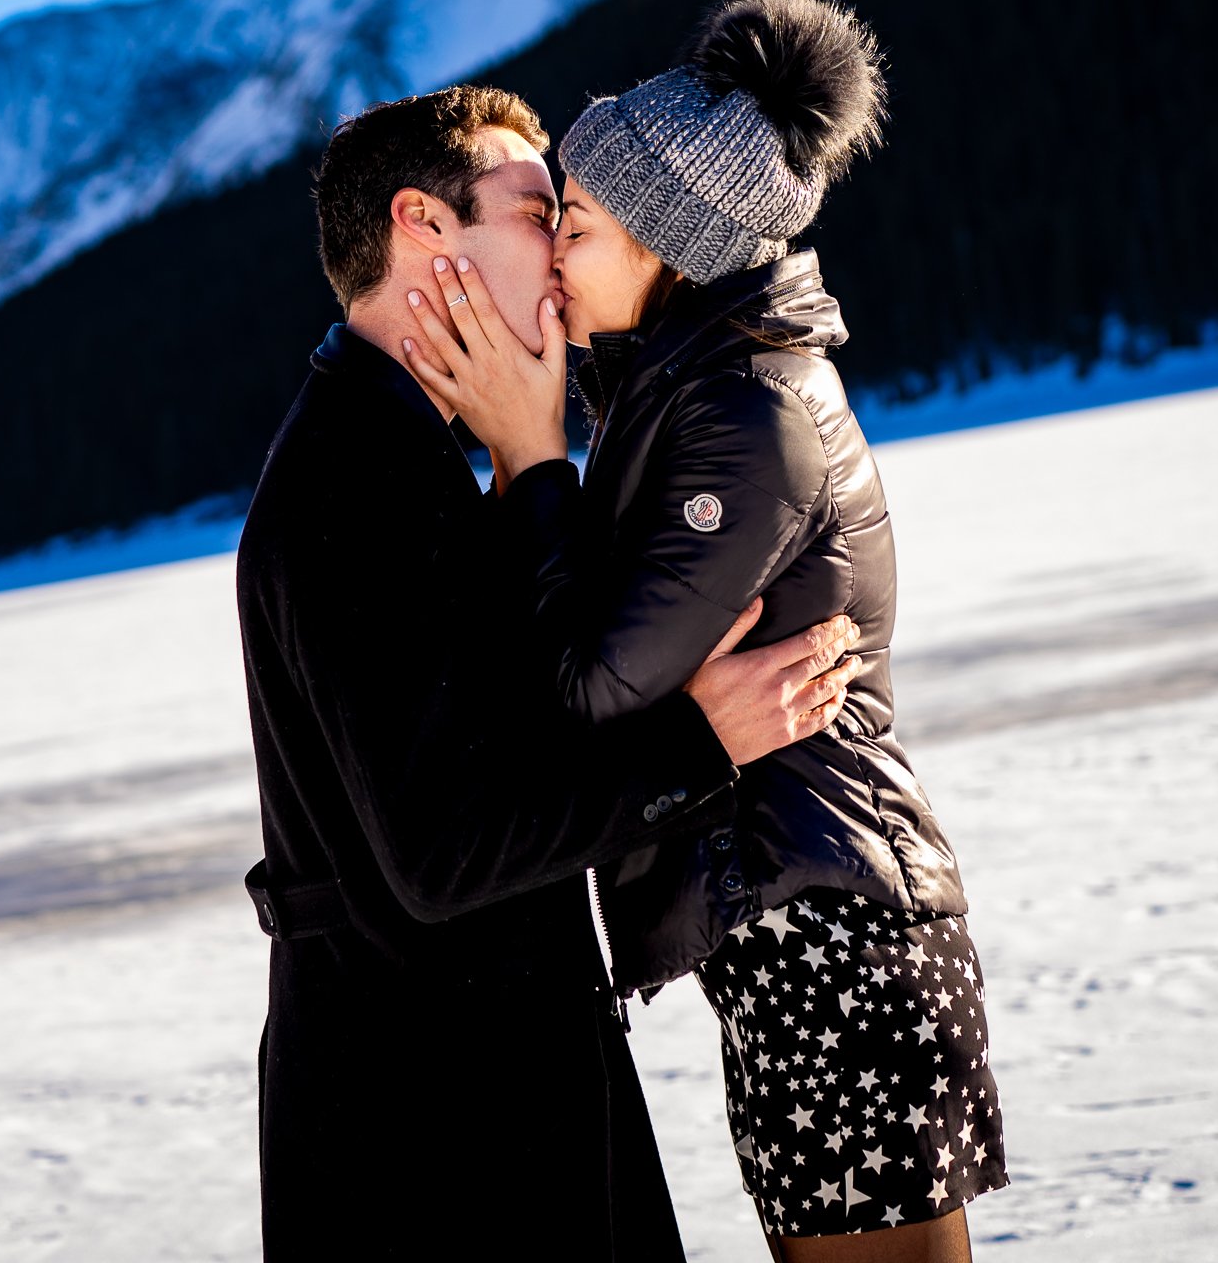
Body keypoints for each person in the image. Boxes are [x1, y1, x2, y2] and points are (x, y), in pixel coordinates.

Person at [401, 0, 1007, 1262]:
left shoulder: (743, 420)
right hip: (796, 938)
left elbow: (591, 691)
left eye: (578, 223)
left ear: (669, 244)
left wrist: (529, 460)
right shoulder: (687, 390)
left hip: (832, 947)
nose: (555, 250)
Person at [237, 83, 871, 1260]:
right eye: (541, 211)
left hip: (471, 1104)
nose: (568, 248)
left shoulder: (397, 449)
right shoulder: (356, 484)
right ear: (427, 228)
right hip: (438, 1146)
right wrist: (702, 741)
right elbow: (445, 853)